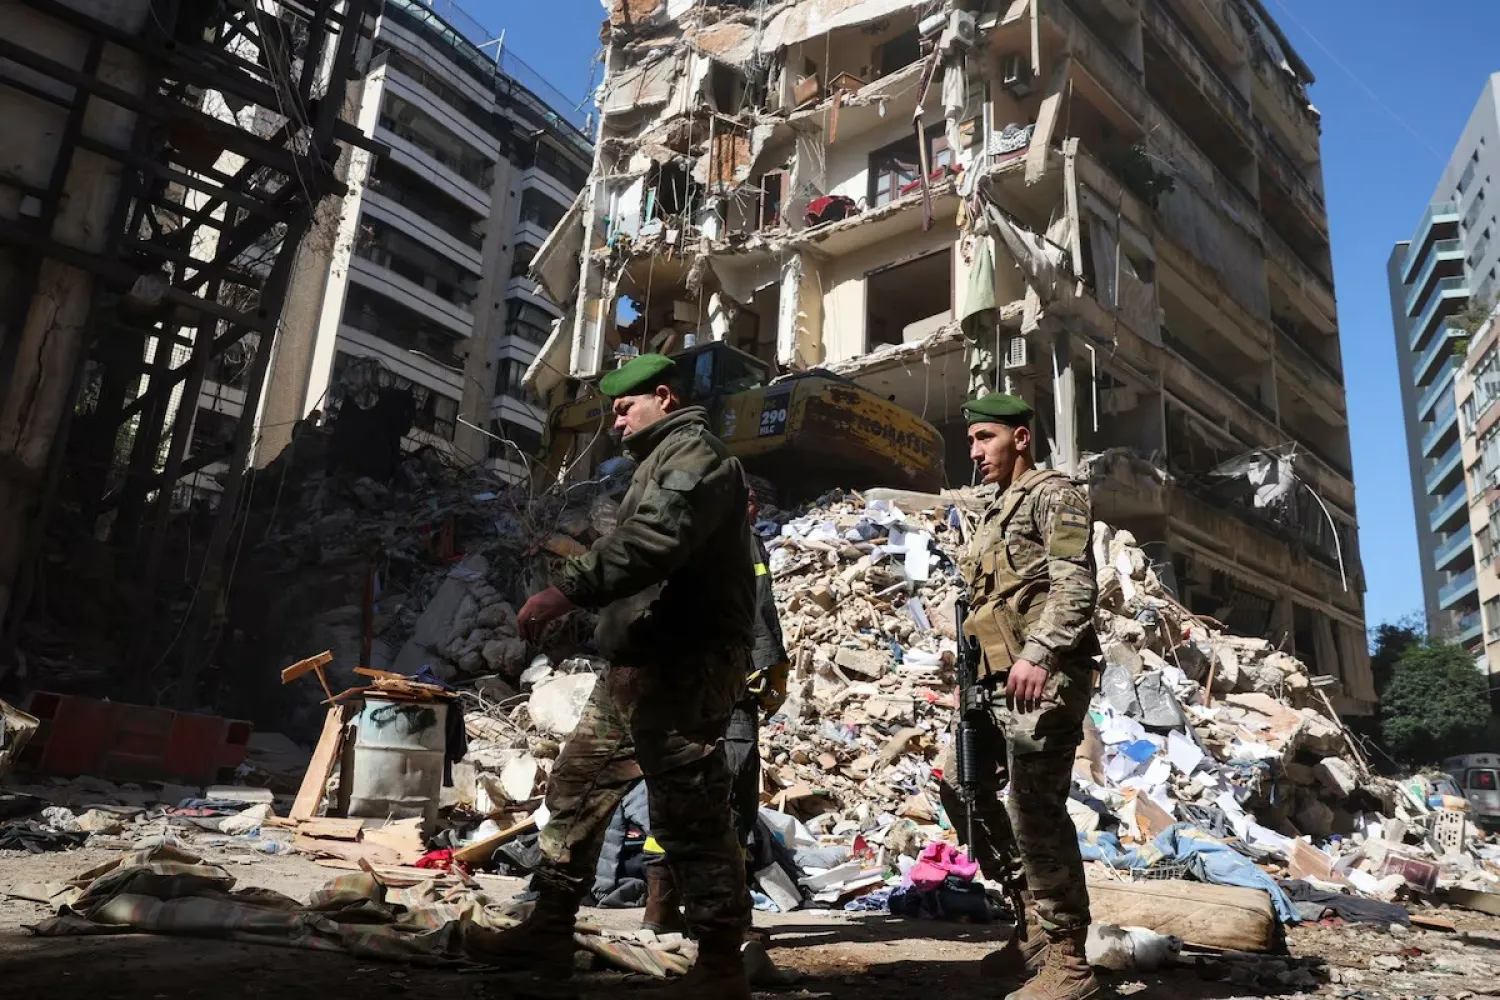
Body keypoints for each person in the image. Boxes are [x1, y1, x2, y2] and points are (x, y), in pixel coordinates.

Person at [501, 353, 757, 997]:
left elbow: (652, 543)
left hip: (681, 666)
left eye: (624, 408)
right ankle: (548, 927)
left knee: (689, 811)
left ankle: (721, 961)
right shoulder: (659, 461)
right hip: (638, 665)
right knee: (576, 789)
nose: (615, 422)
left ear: (664, 398)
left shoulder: (695, 455)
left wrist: (565, 591)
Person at [943, 392, 1100, 1000]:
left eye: (985, 437)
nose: (975, 451)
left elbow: (1074, 584)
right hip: (992, 677)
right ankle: (1031, 921)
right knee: (961, 783)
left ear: (1021, 438)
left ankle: (1070, 960)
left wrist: (1041, 652)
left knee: (1035, 807)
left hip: (1044, 674)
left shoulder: (1055, 495)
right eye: (972, 440)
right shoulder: (994, 508)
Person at [642, 475, 790, 937]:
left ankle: (661, 910)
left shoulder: (682, 536)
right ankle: (723, 920)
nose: (754, 509)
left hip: (684, 684)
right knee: (733, 788)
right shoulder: (737, 542)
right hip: (727, 683)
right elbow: (759, 609)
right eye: (749, 500)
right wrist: (769, 668)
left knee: (680, 788)